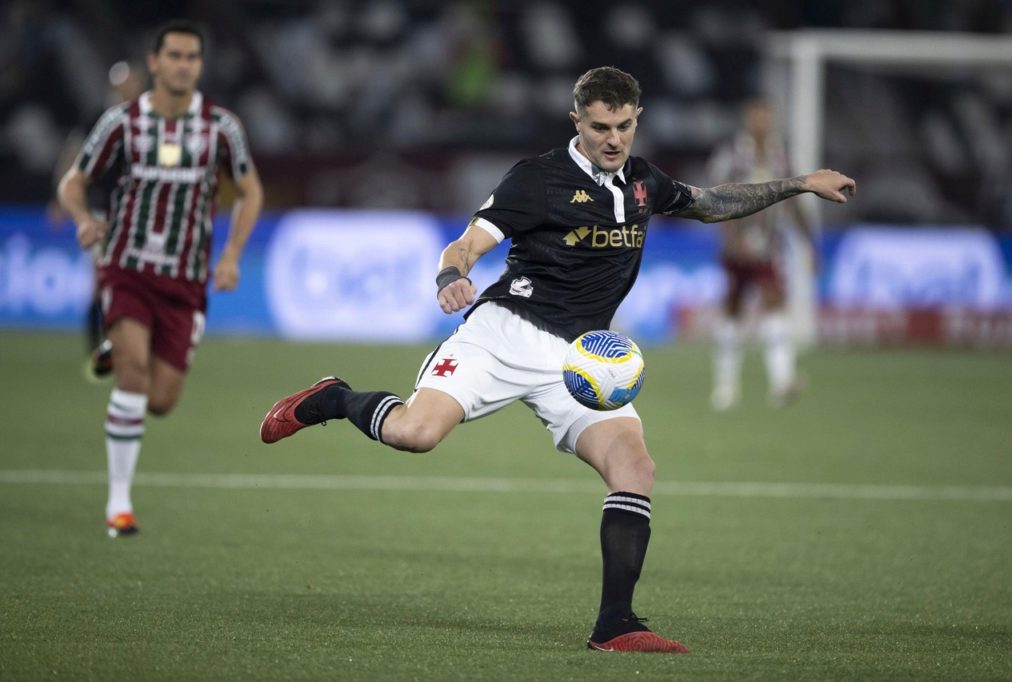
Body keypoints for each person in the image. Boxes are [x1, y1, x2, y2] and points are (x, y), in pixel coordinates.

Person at [260, 66, 854, 653]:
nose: (613, 140)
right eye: (600, 127)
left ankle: (616, 625)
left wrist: (798, 183)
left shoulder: (643, 183)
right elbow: (468, 241)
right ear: (577, 121)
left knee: (635, 470)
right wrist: (450, 275)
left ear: (636, 120)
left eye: (623, 126)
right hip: (503, 334)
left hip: (580, 357)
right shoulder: (537, 180)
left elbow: (711, 201)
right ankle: (333, 396)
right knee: (415, 434)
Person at [58, 20, 264, 538]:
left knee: (162, 399)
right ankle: (119, 505)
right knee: (132, 378)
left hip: (186, 278)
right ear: (154, 62)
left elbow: (250, 191)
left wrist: (232, 254)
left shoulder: (221, 127)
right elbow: (73, 182)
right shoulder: (120, 123)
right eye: (173, 55)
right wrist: (84, 221)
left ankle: (119, 353)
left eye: (192, 57)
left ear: (200, 65)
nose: (183, 65)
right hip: (125, 266)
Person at [706, 97, 818, 410]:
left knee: (774, 302)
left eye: (765, 118)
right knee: (733, 307)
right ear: (747, 120)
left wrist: (809, 242)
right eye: (756, 117)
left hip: (770, 246)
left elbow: (794, 199)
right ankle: (725, 387)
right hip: (738, 245)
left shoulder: (780, 154)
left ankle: (782, 382)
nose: (761, 123)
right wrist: (729, 238)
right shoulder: (731, 155)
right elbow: (714, 198)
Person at [49, 60, 146, 370]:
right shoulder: (100, 118)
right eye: (126, 83)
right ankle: (98, 349)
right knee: (102, 280)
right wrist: (60, 199)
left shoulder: (149, 119)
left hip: (137, 213)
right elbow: (73, 155)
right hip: (102, 211)